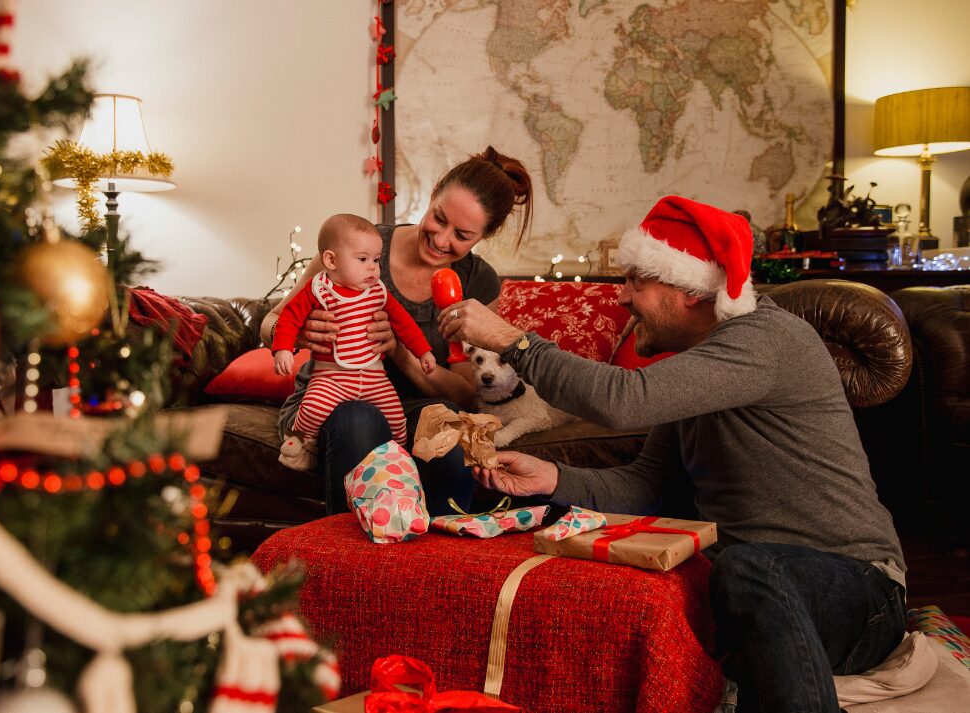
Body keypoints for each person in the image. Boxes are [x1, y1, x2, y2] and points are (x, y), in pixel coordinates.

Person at [440, 195, 906, 713]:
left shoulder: (767, 339)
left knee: (746, 568)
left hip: (860, 591)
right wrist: (551, 478)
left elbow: (621, 400)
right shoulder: (697, 365)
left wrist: (513, 341)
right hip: (754, 589)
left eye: (637, 280)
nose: (623, 298)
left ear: (690, 291)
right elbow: (649, 488)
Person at [260, 146, 534, 516]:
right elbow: (269, 324)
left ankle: (440, 556)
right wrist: (300, 334)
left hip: (404, 409)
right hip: (329, 402)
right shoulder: (359, 247)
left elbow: (465, 393)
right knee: (360, 419)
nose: (440, 240)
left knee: (447, 423)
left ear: (483, 237)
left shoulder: (477, 282)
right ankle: (347, 562)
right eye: (439, 218)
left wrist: (401, 353)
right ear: (433, 193)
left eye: (462, 235)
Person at [271, 214, 436, 470]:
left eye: (376, 260)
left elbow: (404, 324)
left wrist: (423, 351)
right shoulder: (318, 289)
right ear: (331, 260)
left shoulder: (378, 292)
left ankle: (402, 459)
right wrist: (283, 348)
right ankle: (302, 445)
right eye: (362, 259)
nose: (372, 267)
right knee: (313, 408)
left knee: (396, 417)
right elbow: (288, 318)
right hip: (331, 379)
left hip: (375, 379)